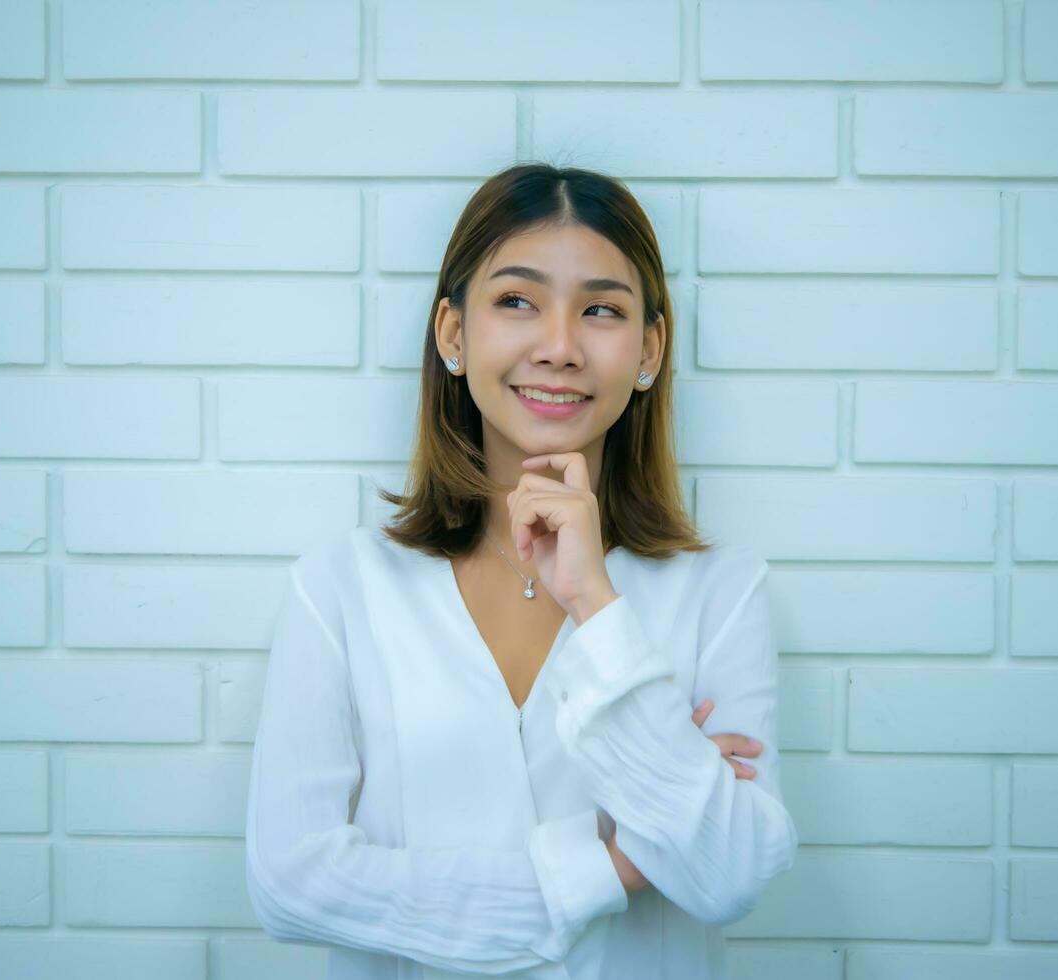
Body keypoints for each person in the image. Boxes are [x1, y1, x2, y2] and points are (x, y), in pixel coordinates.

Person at [244, 163, 798, 979]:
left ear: (648, 350)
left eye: (601, 310)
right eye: (515, 301)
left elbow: (731, 873)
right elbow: (291, 885)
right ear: (452, 335)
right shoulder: (340, 589)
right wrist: (600, 870)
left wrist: (595, 604)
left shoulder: (720, 592)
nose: (560, 347)